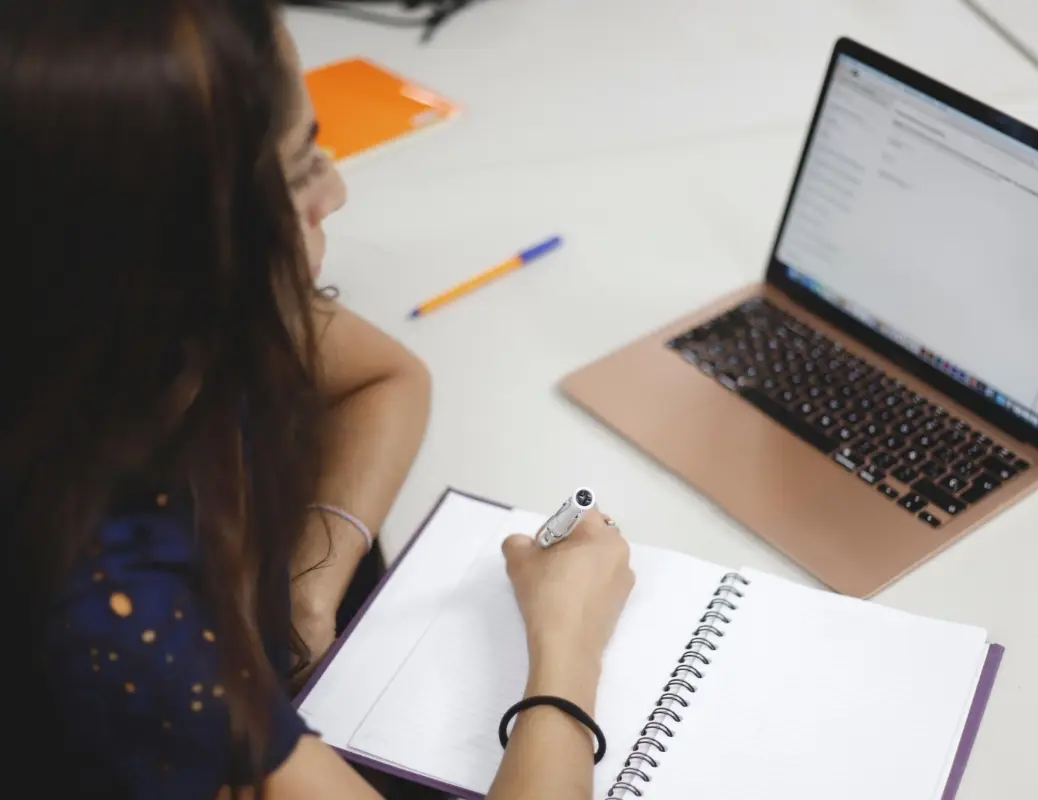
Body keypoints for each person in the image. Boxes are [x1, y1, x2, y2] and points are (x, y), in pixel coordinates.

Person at [0, 1, 634, 798]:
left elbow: (388, 378)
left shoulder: (98, 327)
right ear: (181, 240)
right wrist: (567, 640)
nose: (334, 192)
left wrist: (308, 587)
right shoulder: (118, 620)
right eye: (302, 166)